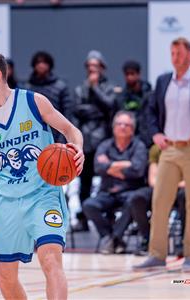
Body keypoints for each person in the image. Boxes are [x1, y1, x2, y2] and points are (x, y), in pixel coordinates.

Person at [0, 52, 84, 300]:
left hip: (44, 194)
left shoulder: (33, 102)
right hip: (7, 201)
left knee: (50, 259)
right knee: (5, 276)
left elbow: (71, 131)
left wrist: (78, 148)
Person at [133, 37, 190, 271]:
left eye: (179, 53)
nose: (175, 58)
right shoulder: (163, 80)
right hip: (169, 149)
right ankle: (157, 255)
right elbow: (150, 111)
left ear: (189, 55)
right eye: (172, 53)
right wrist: (156, 134)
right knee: (159, 201)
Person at [83, 111, 147, 254]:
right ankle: (111, 238)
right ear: (113, 127)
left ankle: (113, 239)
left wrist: (110, 166)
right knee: (89, 205)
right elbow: (98, 167)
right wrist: (124, 164)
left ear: (133, 128)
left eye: (127, 124)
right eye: (119, 124)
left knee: (133, 202)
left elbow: (138, 170)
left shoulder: (139, 146)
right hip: (107, 192)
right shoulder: (105, 145)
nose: (122, 127)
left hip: (129, 191)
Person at [72, 50, 117, 231]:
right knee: (85, 182)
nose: (92, 70)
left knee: (108, 180)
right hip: (87, 138)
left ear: (102, 68)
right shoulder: (79, 88)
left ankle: (109, 217)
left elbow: (109, 106)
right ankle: (83, 217)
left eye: (96, 66)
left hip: (104, 138)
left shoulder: (109, 86)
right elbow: (77, 110)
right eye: (90, 67)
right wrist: (95, 110)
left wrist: (95, 88)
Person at [25, 51, 73, 142]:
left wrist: (63, 138)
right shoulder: (27, 87)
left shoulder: (60, 86)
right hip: (32, 133)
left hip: (56, 132)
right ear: (34, 65)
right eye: (38, 62)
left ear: (50, 65)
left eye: (44, 62)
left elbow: (67, 113)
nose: (41, 65)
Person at [116, 60, 152, 147]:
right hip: (127, 141)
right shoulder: (121, 97)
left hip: (146, 140)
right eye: (127, 74)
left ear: (138, 74)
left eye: (132, 74)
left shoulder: (150, 95)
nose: (129, 77)